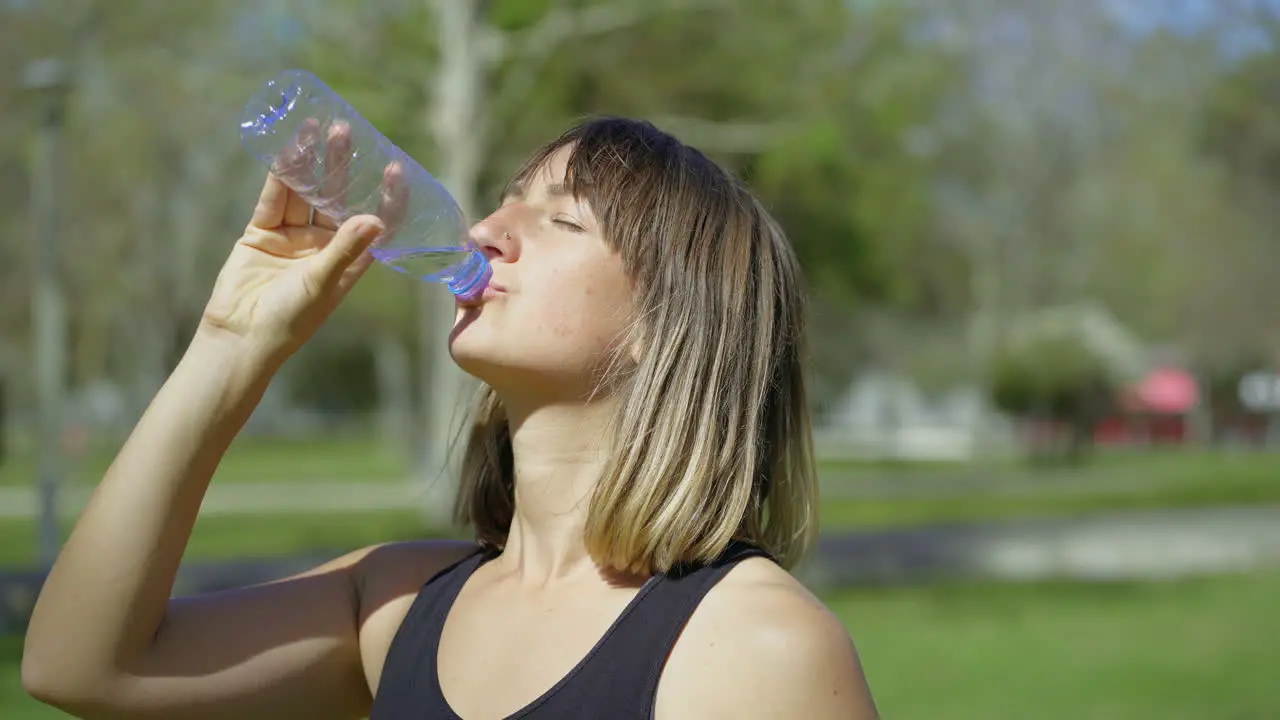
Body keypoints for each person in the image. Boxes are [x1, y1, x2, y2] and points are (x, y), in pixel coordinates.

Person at [22, 116, 879, 719]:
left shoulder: (756, 647)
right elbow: (81, 666)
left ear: (672, 322)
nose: (484, 231)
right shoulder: (396, 606)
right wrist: (231, 344)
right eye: (505, 201)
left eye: (562, 218)